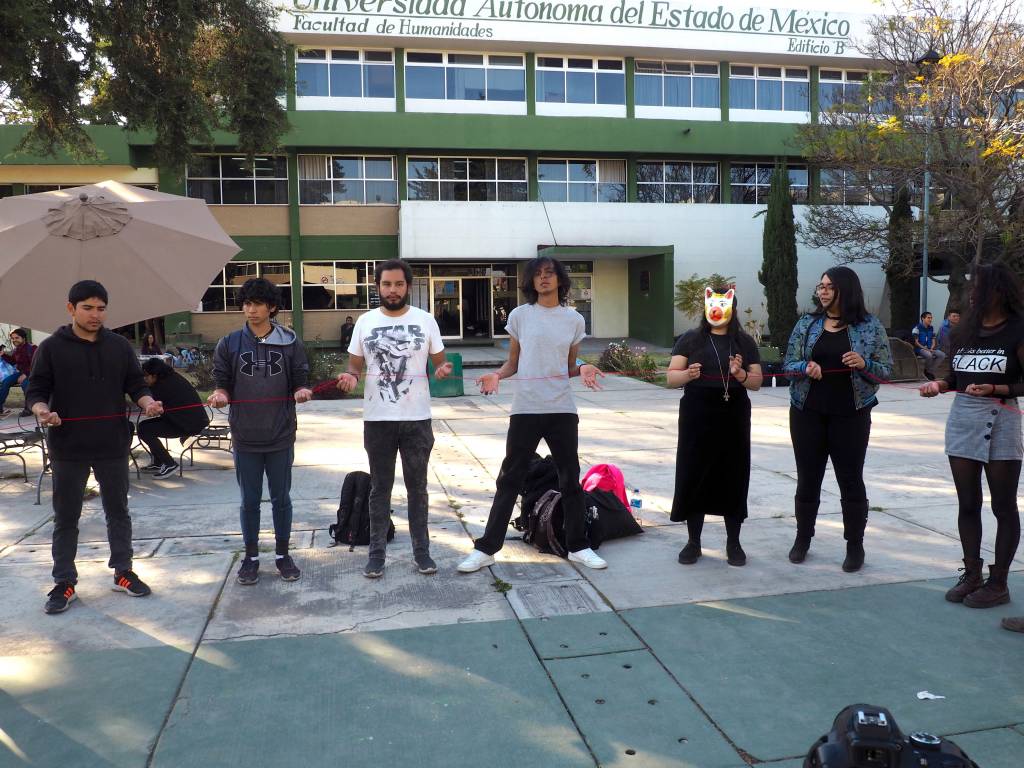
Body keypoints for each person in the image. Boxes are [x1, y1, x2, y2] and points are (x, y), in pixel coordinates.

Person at [457, 256, 607, 574]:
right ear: (531, 282)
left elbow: (568, 366)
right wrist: (497, 375)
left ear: (560, 280)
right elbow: (513, 362)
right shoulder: (520, 316)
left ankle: (579, 547)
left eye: (549, 274)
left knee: (570, 480)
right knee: (509, 479)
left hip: (562, 409)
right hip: (525, 409)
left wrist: (584, 368)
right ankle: (486, 549)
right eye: (537, 275)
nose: (543, 279)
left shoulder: (574, 320)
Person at [26, 280, 164, 614]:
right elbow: (36, 390)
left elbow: (134, 384)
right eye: (87, 308)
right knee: (66, 516)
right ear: (71, 308)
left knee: (118, 511)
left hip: (112, 443)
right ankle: (64, 581)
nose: (95, 315)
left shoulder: (118, 346)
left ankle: (123, 572)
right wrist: (42, 411)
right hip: (67, 446)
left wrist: (147, 402)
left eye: (101, 308)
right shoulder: (52, 347)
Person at [336, 260, 452, 578]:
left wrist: (441, 370)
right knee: (379, 489)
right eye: (387, 284)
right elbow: (355, 366)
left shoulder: (426, 321)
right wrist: (349, 377)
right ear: (378, 288)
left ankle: (422, 553)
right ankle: (376, 554)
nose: (392, 290)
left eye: (398, 284)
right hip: (378, 419)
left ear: (407, 287)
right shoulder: (365, 322)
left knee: (418, 489)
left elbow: (438, 363)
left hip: (417, 419)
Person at [920, 263, 1023, 611]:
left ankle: (999, 583)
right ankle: (972, 574)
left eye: (979, 286)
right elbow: (954, 372)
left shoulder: (1017, 330)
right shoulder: (966, 329)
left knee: (1002, 505)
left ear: (999, 290)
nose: (972, 293)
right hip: (963, 420)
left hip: (1001, 423)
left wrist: (997, 387)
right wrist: (940, 384)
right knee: (967, 503)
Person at [783, 266, 893, 572]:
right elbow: (788, 363)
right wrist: (804, 366)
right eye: (821, 286)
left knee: (850, 480)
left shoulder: (870, 327)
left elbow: (885, 371)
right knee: (808, 479)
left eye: (829, 286)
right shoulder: (807, 323)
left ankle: (854, 546)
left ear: (845, 289)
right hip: (807, 412)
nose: (823, 290)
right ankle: (802, 539)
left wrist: (863, 362)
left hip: (852, 415)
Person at [209, 278, 313, 586]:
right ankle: (251, 557)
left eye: (257, 304)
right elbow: (221, 378)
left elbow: (300, 376)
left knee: (281, 498)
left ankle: (283, 555)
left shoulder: (289, 341)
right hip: (245, 435)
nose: (251, 310)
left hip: (280, 434)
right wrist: (220, 393)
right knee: (249, 500)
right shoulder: (229, 342)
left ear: (271, 308)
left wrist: (302, 390)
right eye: (246, 303)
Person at [667, 286, 763, 567]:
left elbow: (756, 382)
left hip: (733, 414)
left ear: (732, 306)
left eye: (723, 305)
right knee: (694, 473)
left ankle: (733, 542)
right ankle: (693, 542)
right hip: (697, 413)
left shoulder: (743, 342)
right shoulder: (691, 339)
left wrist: (741, 373)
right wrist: (687, 374)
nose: (717, 311)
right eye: (712, 305)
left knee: (733, 474)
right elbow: (671, 378)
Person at [138, 358, 210, 477]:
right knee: (143, 426)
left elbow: (146, 402)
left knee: (145, 430)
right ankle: (159, 461)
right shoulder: (171, 378)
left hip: (188, 424)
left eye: (146, 376)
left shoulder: (163, 385)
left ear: (155, 375)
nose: (144, 380)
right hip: (187, 420)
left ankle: (169, 463)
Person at [0, 327, 36, 417]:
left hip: (33, 373)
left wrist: (25, 375)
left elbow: (36, 364)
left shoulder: (32, 348)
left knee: (25, 384)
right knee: (5, 382)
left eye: (17, 338)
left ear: (23, 338)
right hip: (22, 373)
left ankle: (29, 408)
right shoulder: (17, 350)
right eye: (13, 338)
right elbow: (13, 362)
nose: (14, 340)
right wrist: (3, 355)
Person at [912, 311, 946, 380]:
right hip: (920, 349)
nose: (930, 319)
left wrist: (932, 347)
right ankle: (928, 372)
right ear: (923, 318)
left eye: (931, 318)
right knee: (929, 355)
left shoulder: (931, 328)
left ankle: (928, 371)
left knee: (942, 355)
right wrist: (926, 349)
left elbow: (933, 340)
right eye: (928, 318)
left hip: (930, 348)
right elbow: (916, 343)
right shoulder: (917, 328)